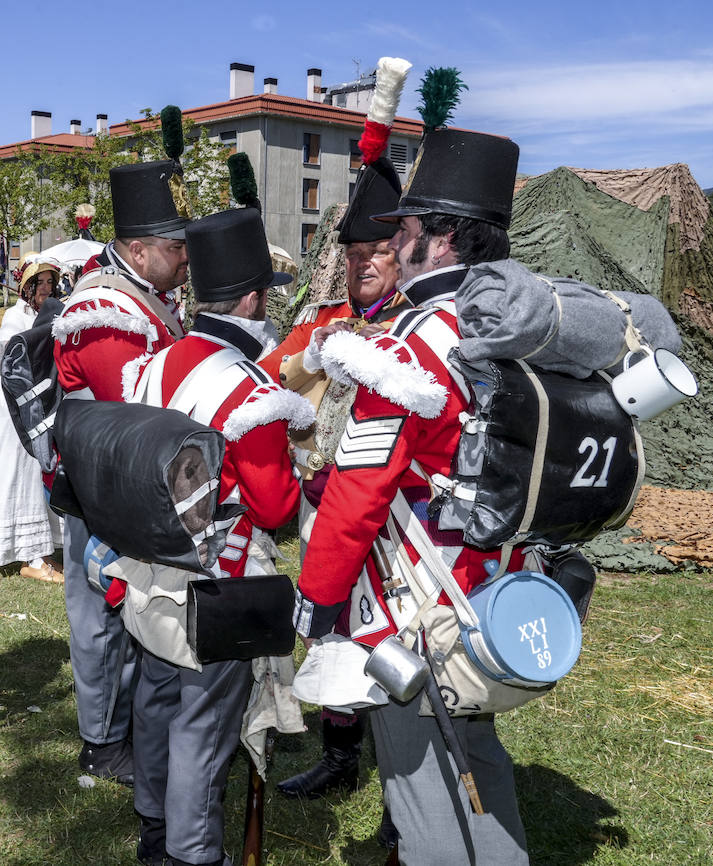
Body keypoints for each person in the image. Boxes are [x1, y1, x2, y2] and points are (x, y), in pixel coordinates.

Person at [293, 129, 529, 866]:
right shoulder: (509, 323)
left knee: (424, 775)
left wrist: (318, 599)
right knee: (474, 745)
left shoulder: (414, 341)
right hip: (498, 580)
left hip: (420, 596)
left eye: (409, 227)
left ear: (445, 237)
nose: (396, 240)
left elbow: (363, 490)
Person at [126, 206, 307, 866]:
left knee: (155, 703)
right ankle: (193, 852)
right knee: (203, 726)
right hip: (220, 578)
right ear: (255, 299)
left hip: (150, 565)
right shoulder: (248, 386)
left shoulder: (155, 363)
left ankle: (154, 832)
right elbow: (272, 501)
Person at [264, 158, 409, 804]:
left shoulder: (416, 328)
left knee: (394, 634)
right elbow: (275, 382)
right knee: (329, 631)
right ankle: (341, 756)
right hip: (324, 507)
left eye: (377, 252)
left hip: (396, 517)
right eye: (353, 254)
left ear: (403, 251)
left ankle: (405, 779)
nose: (363, 265)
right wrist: (311, 355)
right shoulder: (327, 321)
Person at [52, 158, 190, 785]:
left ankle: (129, 730)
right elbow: (134, 410)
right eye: (174, 245)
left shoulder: (148, 297)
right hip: (106, 487)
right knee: (102, 618)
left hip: (137, 486)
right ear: (137, 248)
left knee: (133, 609)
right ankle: (103, 742)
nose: (185, 257)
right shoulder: (106, 307)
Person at [0, 259, 62, 582]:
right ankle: (33, 557)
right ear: (26, 286)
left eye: (49, 282)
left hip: (41, 404)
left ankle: (41, 549)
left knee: (40, 470)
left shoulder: (49, 315)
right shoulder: (16, 317)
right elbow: (9, 364)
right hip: (17, 409)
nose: (46, 288)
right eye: (40, 283)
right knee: (22, 471)